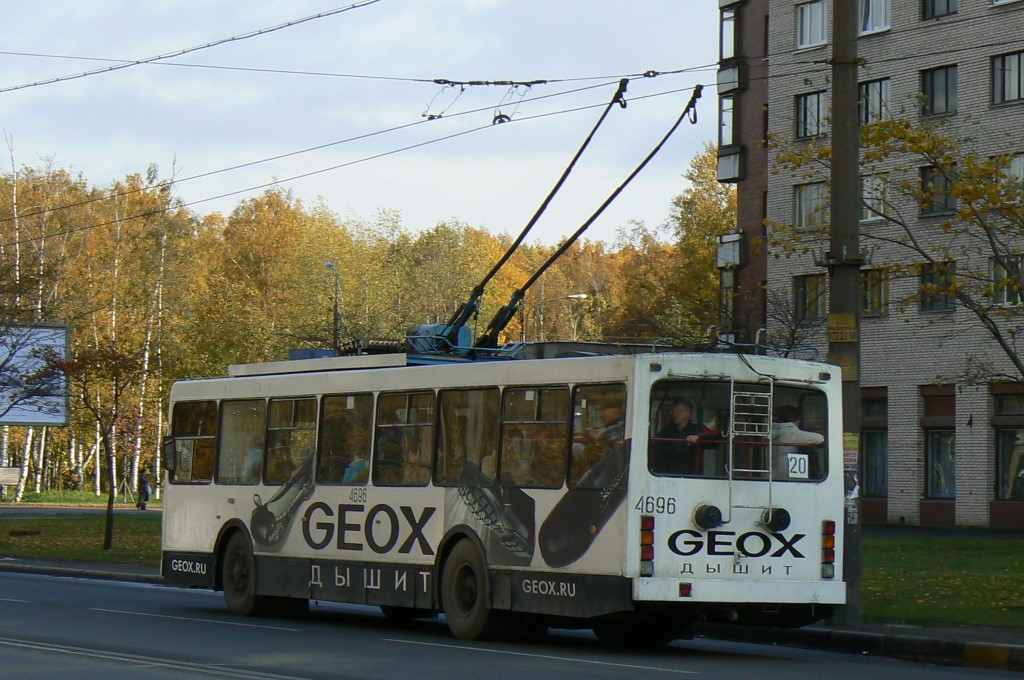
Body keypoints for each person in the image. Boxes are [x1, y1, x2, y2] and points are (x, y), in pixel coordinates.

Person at [651, 399, 717, 475]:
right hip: (667, 477)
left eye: (680, 412)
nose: (675, 414)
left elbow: (718, 438)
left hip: (692, 478)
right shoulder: (666, 432)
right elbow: (655, 450)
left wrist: (700, 439)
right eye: (674, 411)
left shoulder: (698, 430)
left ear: (689, 413)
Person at [771, 404, 824, 479]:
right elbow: (820, 439)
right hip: (787, 476)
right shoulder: (791, 432)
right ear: (796, 420)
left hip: (770, 475)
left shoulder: (771, 431)